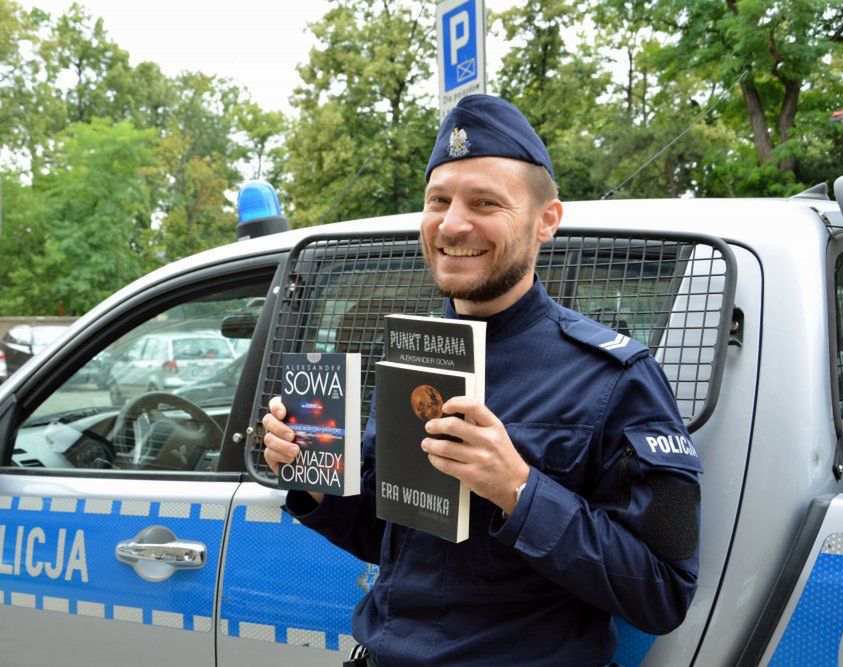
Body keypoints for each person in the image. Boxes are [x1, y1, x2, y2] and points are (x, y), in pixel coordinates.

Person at [263, 94, 701, 666]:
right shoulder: (411, 358)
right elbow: (393, 542)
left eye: (485, 202)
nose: (452, 223)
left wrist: (518, 489)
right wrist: (318, 482)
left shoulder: (616, 376)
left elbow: (663, 594)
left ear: (547, 221)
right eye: (438, 200)